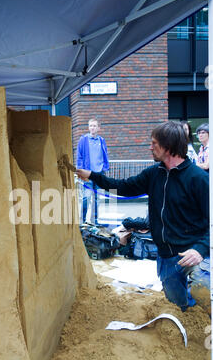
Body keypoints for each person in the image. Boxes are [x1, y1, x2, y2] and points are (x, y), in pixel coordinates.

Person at [76, 121, 210, 313]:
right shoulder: (153, 174)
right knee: (179, 307)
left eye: (154, 143)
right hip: (166, 256)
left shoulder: (198, 178)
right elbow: (122, 186)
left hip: (195, 253)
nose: (150, 147)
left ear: (169, 146)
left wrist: (200, 249)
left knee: (204, 289)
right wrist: (93, 176)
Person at [76, 118, 109, 224]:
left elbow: (105, 155)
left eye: (94, 126)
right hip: (88, 174)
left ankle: (95, 221)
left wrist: (104, 167)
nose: (92, 128)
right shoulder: (83, 139)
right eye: (90, 126)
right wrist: (80, 171)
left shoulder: (101, 140)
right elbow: (79, 156)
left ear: (98, 128)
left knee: (97, 199)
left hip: (99, 173)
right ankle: (83, 220)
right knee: (87, 197)